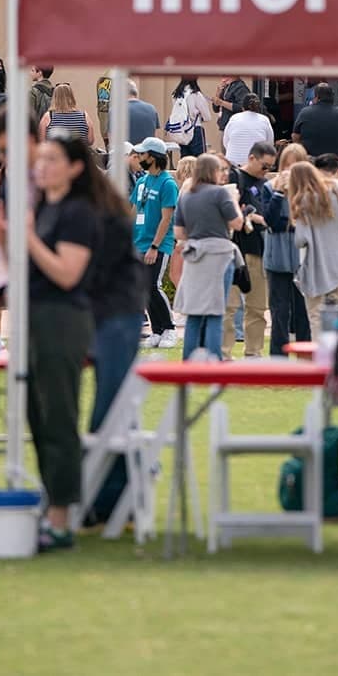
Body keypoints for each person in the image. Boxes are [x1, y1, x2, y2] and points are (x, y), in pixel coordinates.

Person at [24, 132, 108, 552]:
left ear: (75, 168)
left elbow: (66, 273)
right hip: (35, 317)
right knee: (36, 415)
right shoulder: (44, 208)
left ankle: (61, 517)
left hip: (62, 320)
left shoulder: (77, 212)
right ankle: (51, 502)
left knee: (58, 415)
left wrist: (27, 239)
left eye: (52, 159)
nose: (41, 165)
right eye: (40, 158)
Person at [81, 147, 146, 525]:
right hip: (109, 318)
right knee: (114, 412)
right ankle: (115, 497)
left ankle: (109, 499)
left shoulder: (100, 218)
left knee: (111, 413)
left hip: (115, 318)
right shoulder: (101, 212)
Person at [172, 154, 242, 358]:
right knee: (215, 312)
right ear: (212, 171)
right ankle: (213, 359)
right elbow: (237, 223)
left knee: (194, 313)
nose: (224, 173)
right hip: (219, 254)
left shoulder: (186, 195)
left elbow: (178, 233)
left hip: (194, 254)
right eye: (221, 170)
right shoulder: (220, 194)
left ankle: (189, 360)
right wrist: (235, 201)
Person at [290, 159, 338, 329]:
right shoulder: (336, 190)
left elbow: (300, 240)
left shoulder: (303, 202)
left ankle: (319, 354)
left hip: (316, 268)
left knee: (315, 317)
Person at [223, 141, 275, 358]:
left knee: (258, 307)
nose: (266, 171)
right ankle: (223, 353)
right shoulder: (235, 177)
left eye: (270, 167)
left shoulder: (265, 184)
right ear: (252, 158)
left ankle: (254, 352)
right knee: (230, 305)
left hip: (259, 248)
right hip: (236, 250)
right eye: (264, 166)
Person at [264, 143, 314, 354]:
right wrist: (278, 193)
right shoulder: (270, 187)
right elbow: (271, 220)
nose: (289, 171)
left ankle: (305, 357)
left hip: (303, 256)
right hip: (278, 254)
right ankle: (278, 358)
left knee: (303, 312)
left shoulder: (310, 191)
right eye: (286, 165)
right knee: (279, 311)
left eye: (295, 166)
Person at [130, 138, 180, 350]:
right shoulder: (141, 182)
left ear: (153, 156)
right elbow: (133, 211)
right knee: (144, 288)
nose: (139, 157)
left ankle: (169, 328)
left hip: (158, 244)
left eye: (143, 154)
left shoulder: (167, 184)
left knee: (153, 285)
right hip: (139, 242)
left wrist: (155, 246)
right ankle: (157, 330)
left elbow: (166, 218)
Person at [292, 81, 338, 158]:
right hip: (334, 162)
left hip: (311, 162)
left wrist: (303, 154)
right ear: (332, 97)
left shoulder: (304, 113)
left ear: (316, 97)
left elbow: (295, 136)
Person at [166, 77, 215, 158]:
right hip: (195, 129)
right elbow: (207, 117)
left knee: (185, 160)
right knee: (199, 160)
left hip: (181, 130)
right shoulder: (196, 94)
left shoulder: (175, 94)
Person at [41, 82, 100, 148]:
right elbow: (90, 140)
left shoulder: (48, 117)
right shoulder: (84, 116)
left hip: (57, 156)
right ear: (71, 96)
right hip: (79, 155)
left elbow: (42, 142)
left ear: (54, 97)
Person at [221, 92, 274, 165]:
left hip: (233, 164)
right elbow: (269, 144)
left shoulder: (234, 118)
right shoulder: (264, 120)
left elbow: (226, 142)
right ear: (258, 107)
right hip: (256, 164)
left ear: (242, 107)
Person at [124, 80, 159, 145]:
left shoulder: (115, 110)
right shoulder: (152, 109)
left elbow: (112, 140)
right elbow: (154, 136)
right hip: (147, 153)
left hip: (125, 153)